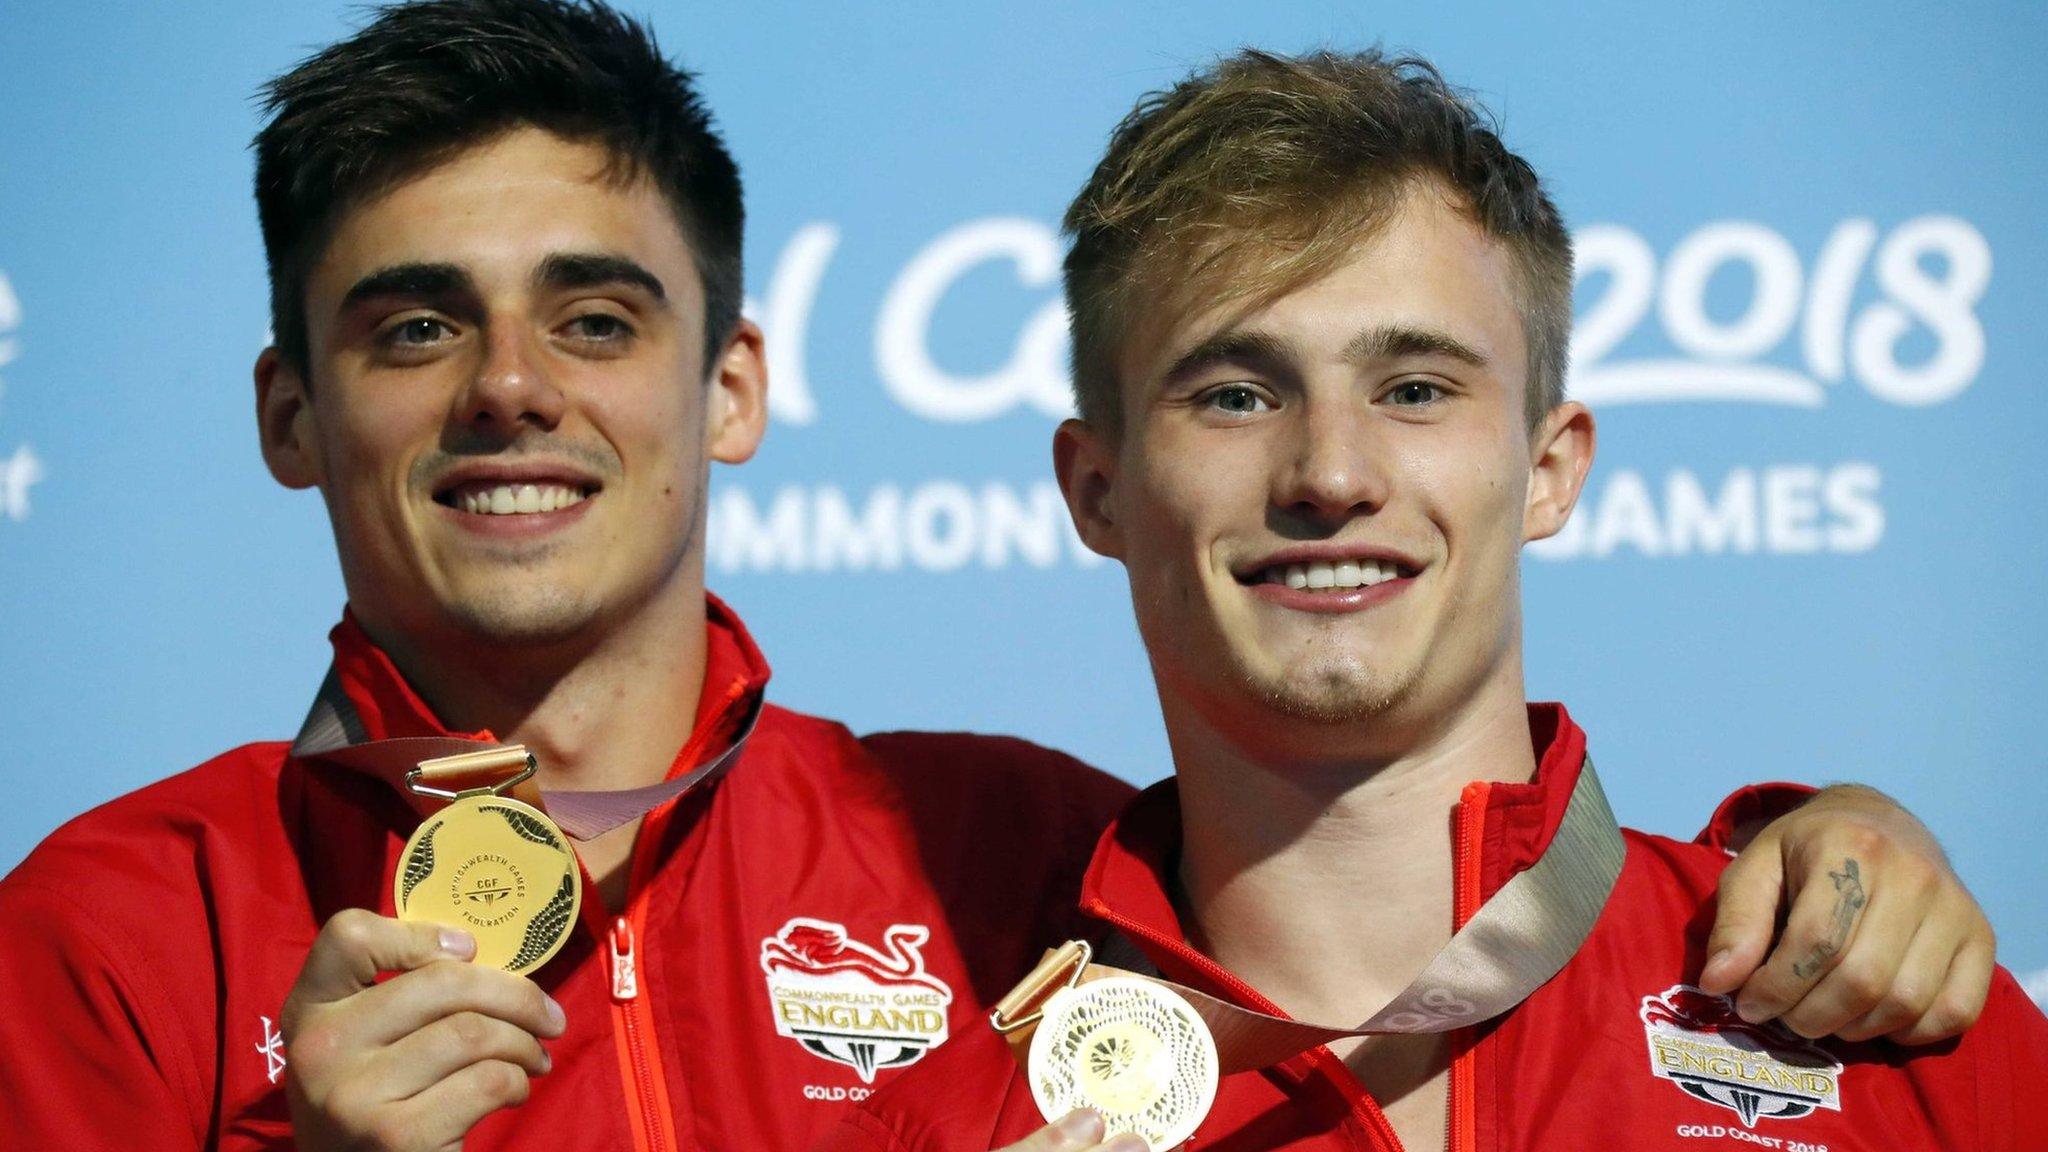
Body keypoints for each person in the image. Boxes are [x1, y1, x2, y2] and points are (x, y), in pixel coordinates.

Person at [0, 7, 2000, 1151]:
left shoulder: (993, 852)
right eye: (415, 329)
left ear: (735, 387)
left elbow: (1394, 897)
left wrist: (1821, 843)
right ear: (287, 412)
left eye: (595, 319)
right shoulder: (112, 927)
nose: (512, 390)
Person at [820, 49, 2047, 1152]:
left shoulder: (1897, 1042)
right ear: (1097, 490)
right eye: (1236, 395)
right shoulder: (936, 1118)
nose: (1330, 475)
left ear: (1549, 469)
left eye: (1412, 390)